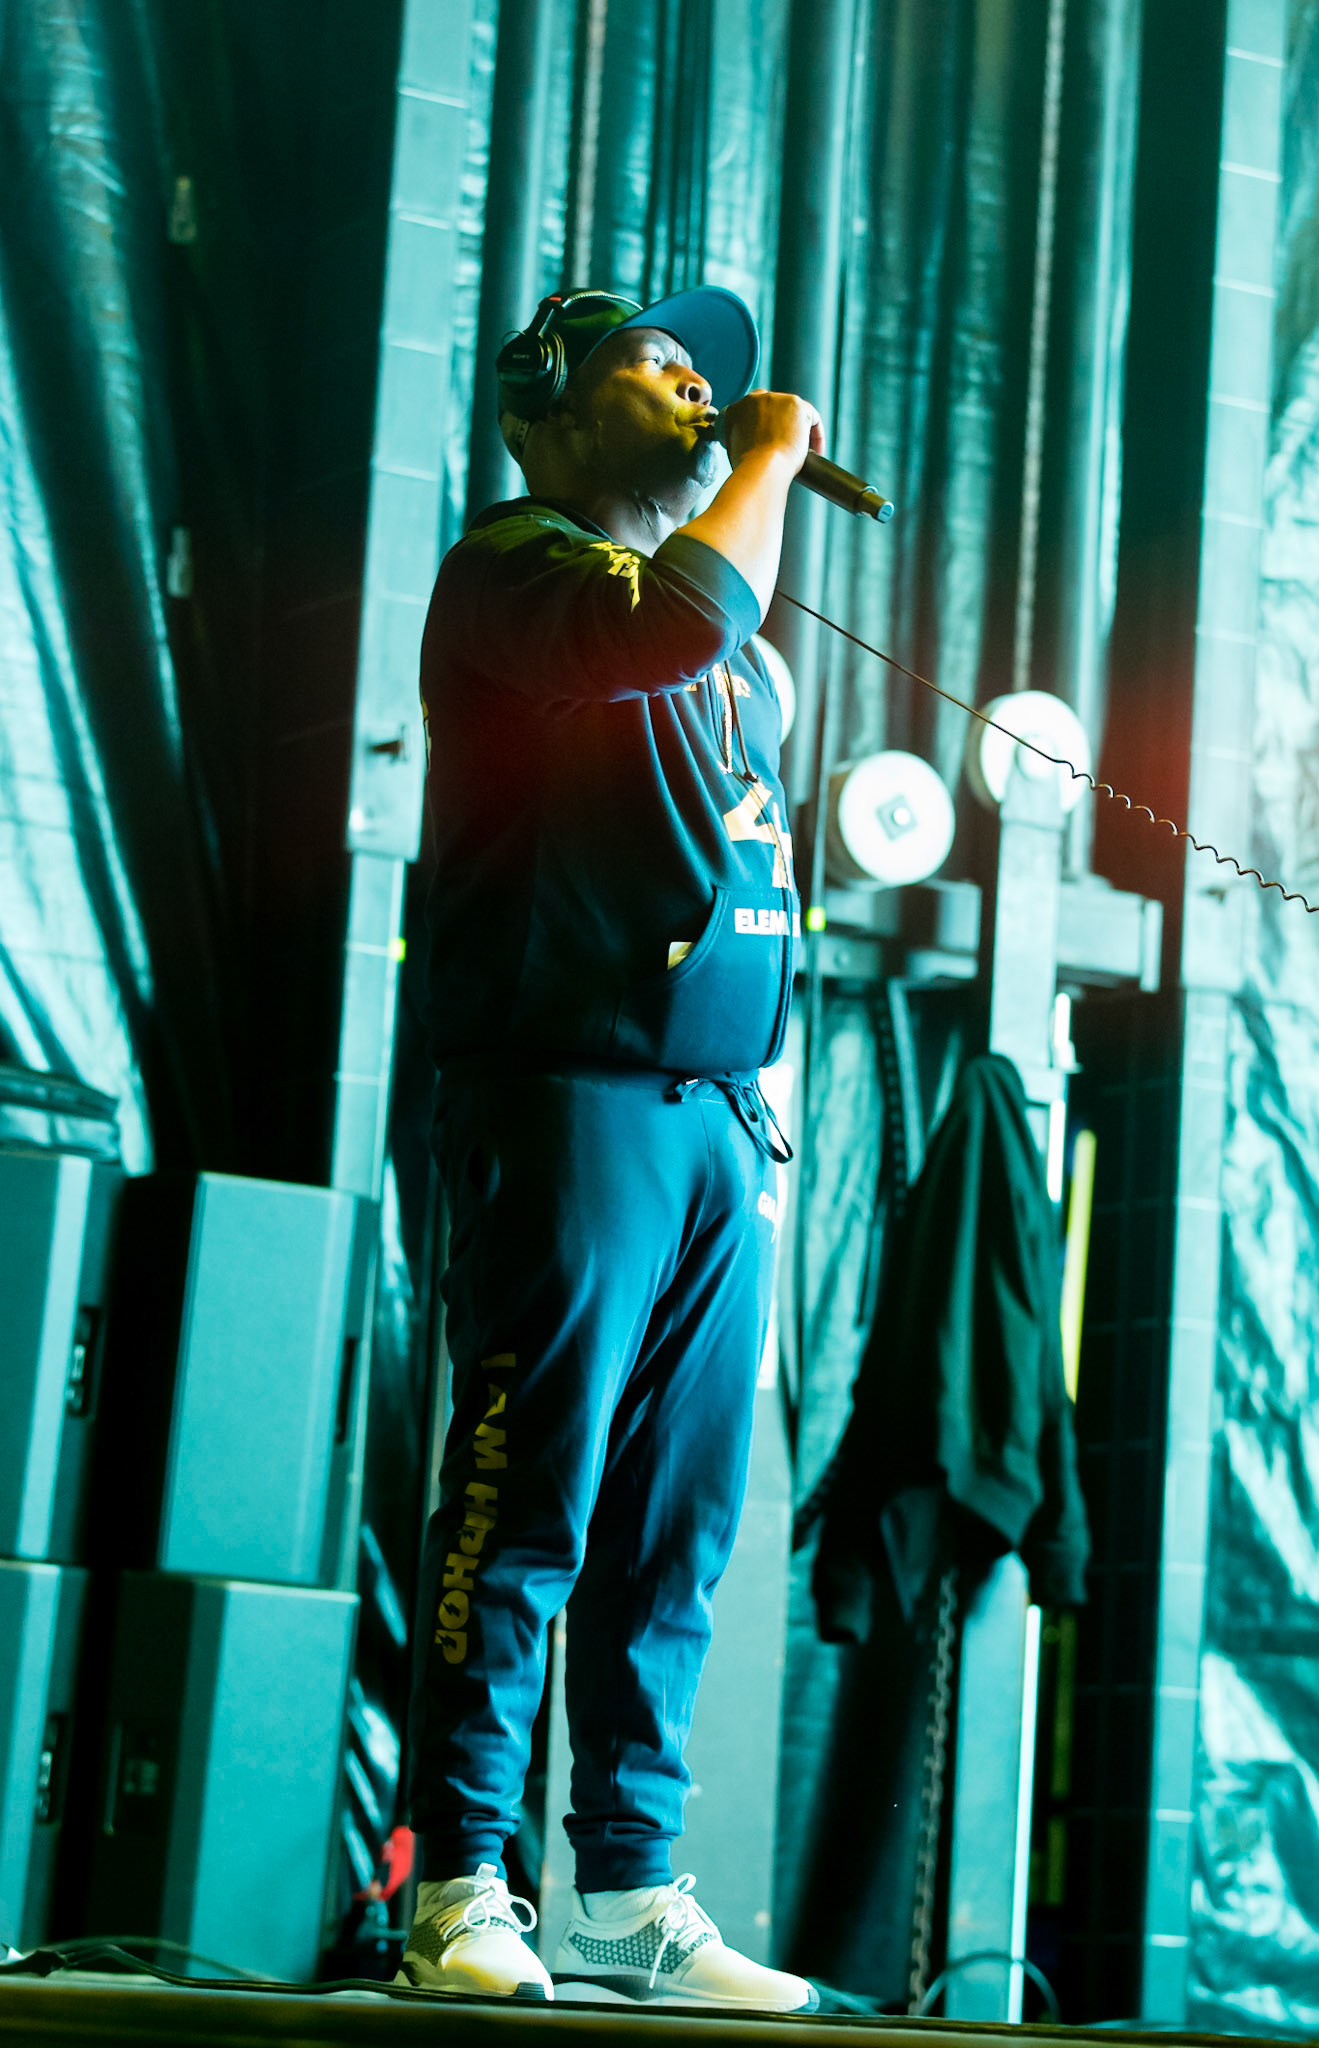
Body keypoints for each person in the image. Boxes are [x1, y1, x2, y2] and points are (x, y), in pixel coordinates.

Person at [397, 283, 821, 2012]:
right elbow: (666, 622)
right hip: (567, 1101)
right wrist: (771, 457)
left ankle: (627, 1893)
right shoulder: (514, 569)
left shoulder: (725, 638)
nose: (698, 388)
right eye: (653, 363)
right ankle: (456, 1882)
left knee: (673, 1533)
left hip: (717, 1118)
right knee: (525, 1505)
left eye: (707, 375)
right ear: (547, 406)